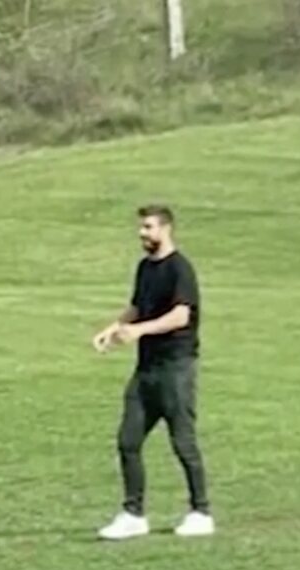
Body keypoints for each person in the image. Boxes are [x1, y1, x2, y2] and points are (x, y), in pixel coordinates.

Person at [91, 204, 214, 541]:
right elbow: (136, 306)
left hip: (176, 368)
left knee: (183, 442)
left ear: (166, 229)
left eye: (148, 227)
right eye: (141, 228)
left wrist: (141, 331)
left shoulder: (180, 269)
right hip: (146, 370)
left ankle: (201, 511)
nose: (142, 234)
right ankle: (133, 514)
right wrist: (113, 328)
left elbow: (180, 316)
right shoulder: (145, 268)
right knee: (127, 440)